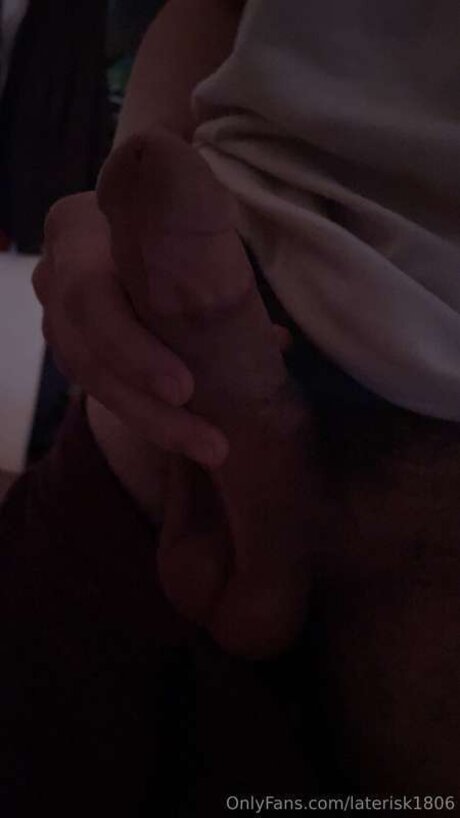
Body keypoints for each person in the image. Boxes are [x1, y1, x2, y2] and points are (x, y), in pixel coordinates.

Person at [2, 0, 460, 812]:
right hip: (145, 451)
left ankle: (230, 454)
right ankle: (230, 431)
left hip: (245, 297)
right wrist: (122, 202)